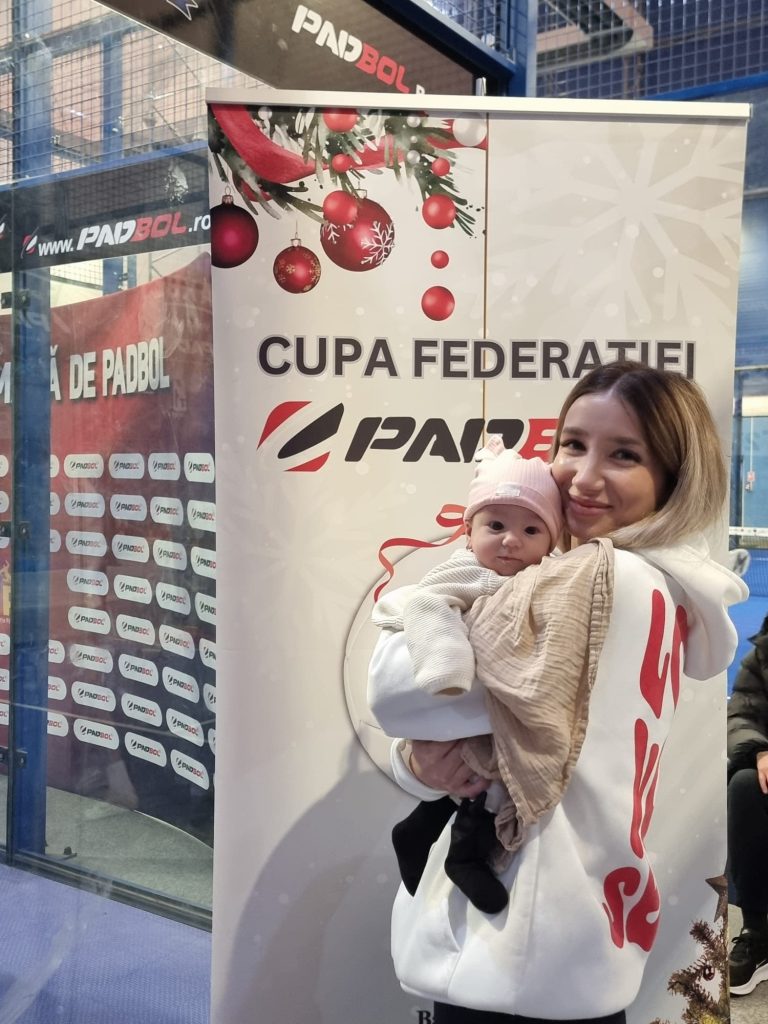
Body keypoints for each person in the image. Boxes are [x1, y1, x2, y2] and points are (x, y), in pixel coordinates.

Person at [368, 360, 747, 1024]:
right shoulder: (655, 583)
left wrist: (416, 747)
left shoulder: (598, 581)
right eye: (573, 444)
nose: (582, 476)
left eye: (624, 454)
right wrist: (422, 762)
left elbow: (397, 692)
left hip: (518, 940)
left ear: (674, 477)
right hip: (572, 926)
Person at [371, 439, 564, 913]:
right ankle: (458, 851)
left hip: (505, 735)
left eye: (531, 530)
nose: (511, 540)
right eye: (495, 526)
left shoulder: (547, 580)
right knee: (485, 774)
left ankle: (442, 838)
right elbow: (427, 605)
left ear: (551, 541)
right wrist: (449, 669)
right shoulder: (470, 572)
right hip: (457, 699)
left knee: (493, 774)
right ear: (468, 531)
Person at [727, 613, 768, 995]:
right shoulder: (761, 654)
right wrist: (760, 752)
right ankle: (757, 931)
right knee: (743, 785)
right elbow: (741, 714)